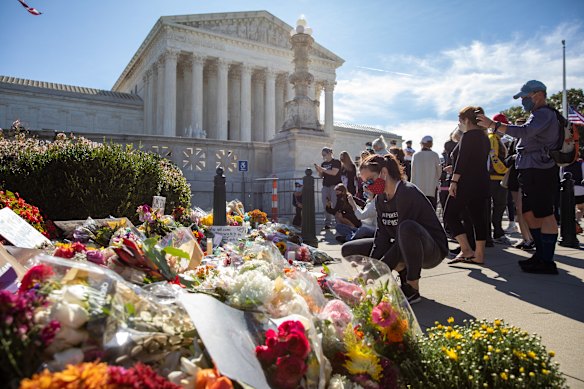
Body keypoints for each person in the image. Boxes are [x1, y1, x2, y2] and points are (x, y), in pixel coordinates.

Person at [341, 154, 448, 304]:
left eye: (370, 180)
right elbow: (382, 236)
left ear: (384, 173)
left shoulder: (406, 192)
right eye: (365, 183)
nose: (368, 186)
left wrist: (376, 272)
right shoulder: (380, 199)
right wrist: (370, 267)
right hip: (404, 244)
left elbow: (402, 238)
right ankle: (403, 275)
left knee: (406, 228)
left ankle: (412, 287)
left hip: (431, 250)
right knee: (349, 249)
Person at [477, 80, 560, 274]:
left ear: (538, 94)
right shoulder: (538, 115)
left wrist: (494, 125)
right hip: (529, 169)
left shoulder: (544, 114)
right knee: (530, 213)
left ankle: (547, 260)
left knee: (545, 214)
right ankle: (540, 254)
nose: (522, 101)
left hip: (541, 170)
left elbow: (525, 132)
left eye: (525, 97)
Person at [445, 106, 490, 265]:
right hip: (481, 182)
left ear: (466, 120)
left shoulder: (469, 135)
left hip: (465, 183)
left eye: (459, 120)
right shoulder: (484, 137)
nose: (459, 123)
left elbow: (463, 159)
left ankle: (466, 249)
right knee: (478, 218)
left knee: (449, 214)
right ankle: (479, 255)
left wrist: (454, 181)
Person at [504, 121, 535, 251]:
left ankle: (531, 238)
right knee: (519, 210)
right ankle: (526, 238)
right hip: (515, 178)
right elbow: (506, 161)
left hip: (527, 177)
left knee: (525, 210)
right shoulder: (513, 143)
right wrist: (515, 157)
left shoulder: (533, 140)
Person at [486, 113, 512, 246]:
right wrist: (505, 170)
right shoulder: (493, 139)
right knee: (499, 206)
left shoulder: (495, 138)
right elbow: (493, 158)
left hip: (495, 178)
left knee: (497, 206)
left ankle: (496, 232)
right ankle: (498, 233)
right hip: (495, 178)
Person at [314, 147, 342, 229]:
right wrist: (319, 171)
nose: (323, 156)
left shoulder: (336, 162)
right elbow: (321, 176)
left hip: (334, 186)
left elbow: (334, 172)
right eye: (322, 155)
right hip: (325, 185)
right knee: (326, 205)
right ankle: (327, 223)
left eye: (324, 154)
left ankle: (338, 223)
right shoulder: (323, 164)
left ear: (329, 153)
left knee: (335, 204)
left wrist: (322, 169)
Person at [411, 135, 442, 209]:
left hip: (418, 187)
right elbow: (439, 170)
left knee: (419, 208)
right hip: (431, 186)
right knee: (432, 208)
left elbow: (413, 171)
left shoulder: (416, 155)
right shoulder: (435, 155)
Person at [562, 159, 584, 233]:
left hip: (567, 191)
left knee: (570, 209)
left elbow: (561, 177)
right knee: (581, 208)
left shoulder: (563, 165)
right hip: (580, 190)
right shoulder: (581, 164)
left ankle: (573, 223)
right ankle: (576, 221)